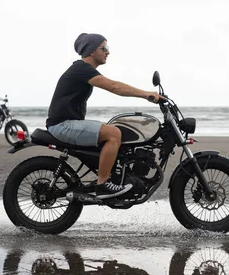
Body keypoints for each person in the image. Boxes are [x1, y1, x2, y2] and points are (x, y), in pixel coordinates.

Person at [46, 33, 165, 199]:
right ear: (91, 51)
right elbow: (114, 87)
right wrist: (146, 94)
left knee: (114, 130)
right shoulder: (81, 68)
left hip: (67, 123)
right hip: (62, 125)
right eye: (104, 48)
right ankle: (103, 184)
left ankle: (116, 176)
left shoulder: (84, 70)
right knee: (114, 133)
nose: (108, 52)